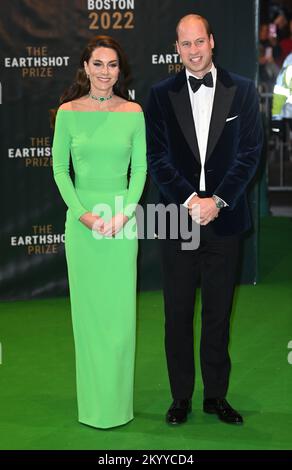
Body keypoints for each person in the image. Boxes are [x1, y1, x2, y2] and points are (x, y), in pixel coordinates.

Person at [146, 14, 262, 425]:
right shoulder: (159, 95)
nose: (194, 51)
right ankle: (181, 397)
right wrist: (189, 199)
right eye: (185, 44)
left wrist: (219, 200)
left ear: (212, 41)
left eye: (200, 41)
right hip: (177, 219)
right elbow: (156, 157)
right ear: (176, 48)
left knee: (217, 313)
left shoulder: (243, 91)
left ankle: (216, 396)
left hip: (224, 219)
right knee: (176, 314)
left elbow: (250, 153)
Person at [52, 35, 147, 429]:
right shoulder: (67, 112)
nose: (105, 72)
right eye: (98, 64)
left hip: (122, 225)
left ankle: (118, 405)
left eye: (112, 65)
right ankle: (93, 406)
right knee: (88, 319)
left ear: (118, 70)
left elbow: (139, 169)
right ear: (85, 67)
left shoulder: (134, 111)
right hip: (83, 228)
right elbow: (60, 170)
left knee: (121, 319)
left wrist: (123, 214)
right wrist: (83, 215)